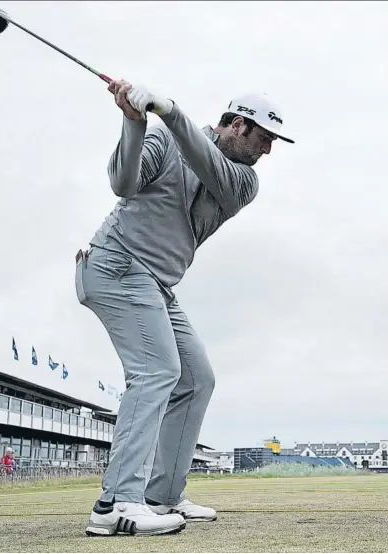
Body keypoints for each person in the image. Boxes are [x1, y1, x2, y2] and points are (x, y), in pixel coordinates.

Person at [76, 82, 294, 537]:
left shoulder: (243, 181)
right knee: (157, 371)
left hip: (156, 283)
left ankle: (162, 495)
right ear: (238, 124)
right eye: (264, 138)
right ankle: (116, 503)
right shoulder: (165, 137)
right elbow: (123, 183)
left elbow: (207, 163)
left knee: (196, 379)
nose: (268, 150)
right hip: (116, 264)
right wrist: (134, 124)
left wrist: (171, 113)